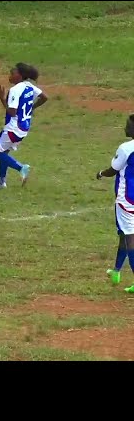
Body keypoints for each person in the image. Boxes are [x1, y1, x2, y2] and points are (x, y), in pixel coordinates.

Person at [0, 63, 48, 189]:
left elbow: (12, 111)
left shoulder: (15, 90)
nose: (10, 76)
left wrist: (2, 100)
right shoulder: (29, 86)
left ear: (20, 76)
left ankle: (21, 167)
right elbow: (44, 97)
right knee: (4, 152)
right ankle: (1, 182)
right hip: (24, 127)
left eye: (12, 73)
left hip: (13, 128)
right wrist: (32, 108)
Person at [96, 113, 134, 293]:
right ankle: (116, 271)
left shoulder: (126, 148)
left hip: (127, 199)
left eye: (128, 125)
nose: (125, 128)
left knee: (129, 238)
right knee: (124, 235)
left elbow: (114, 169)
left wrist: (101, 174)